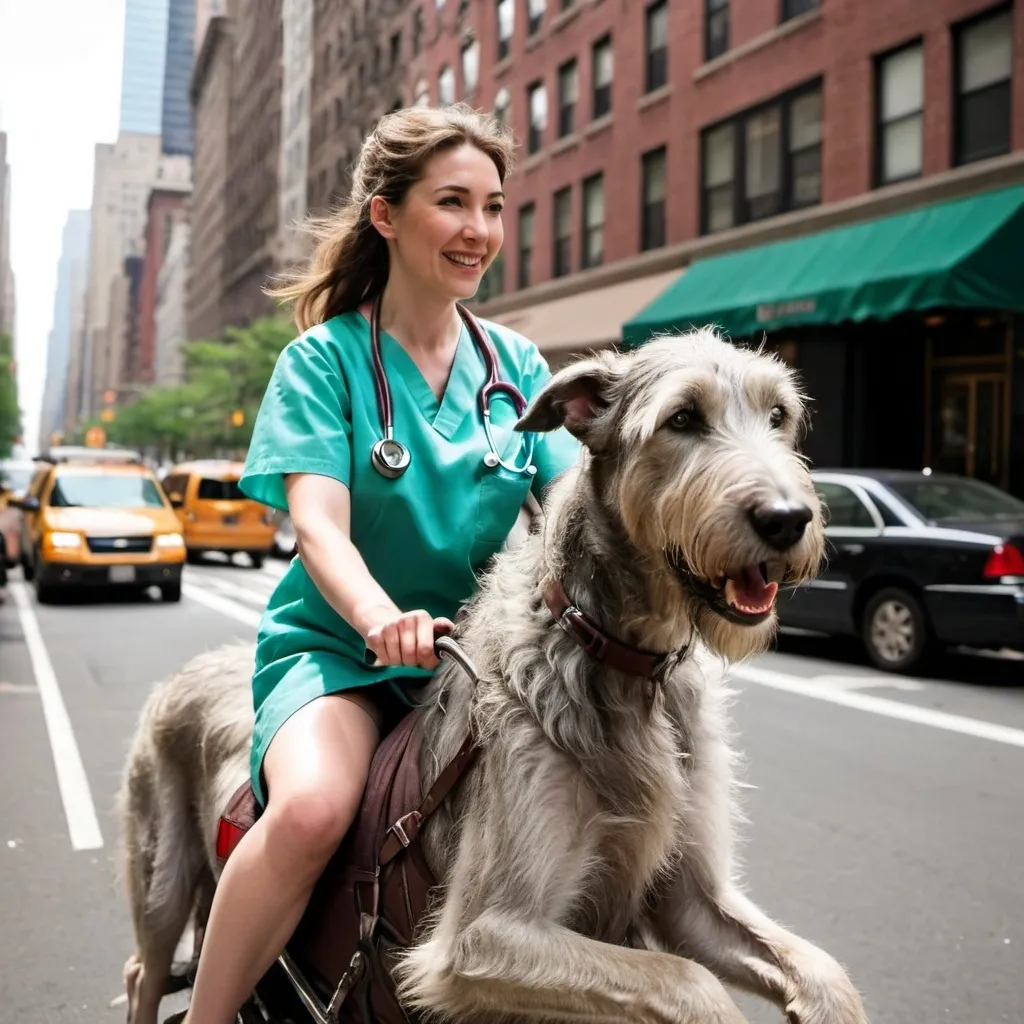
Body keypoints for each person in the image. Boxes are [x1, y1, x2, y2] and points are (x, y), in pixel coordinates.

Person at [182, 103, 580, 1023]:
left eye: (493, 205)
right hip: (344, 654)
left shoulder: (517, 364)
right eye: (452, 203)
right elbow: (320, 530)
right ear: (387, 216)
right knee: (317, 808)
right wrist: (378, 620)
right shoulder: (322, 361)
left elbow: (571, 514)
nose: (479, 230)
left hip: (477, 672)